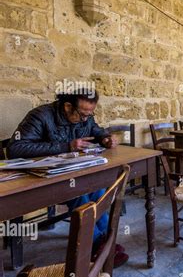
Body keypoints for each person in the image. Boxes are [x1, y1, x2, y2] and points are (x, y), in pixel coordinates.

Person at [7, 88, 128, 267]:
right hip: (41, 178)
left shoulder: (85, 116)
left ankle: (103, 241)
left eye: (90, 113)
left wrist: (105, 139)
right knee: (78, 191)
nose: (86, 118)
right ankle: (98, 244)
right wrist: (66, 146)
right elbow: (15, 149)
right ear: (67, 106)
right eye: (82, 114)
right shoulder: (41, 116)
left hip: (69, 171)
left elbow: (96, 130)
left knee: (96, 187)